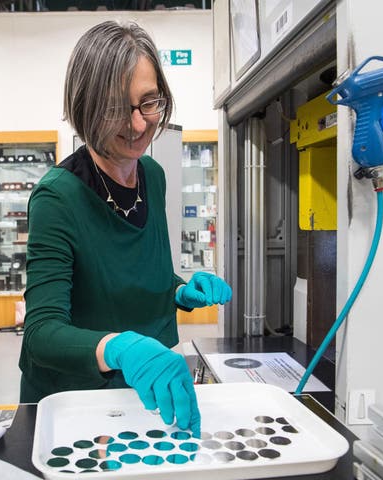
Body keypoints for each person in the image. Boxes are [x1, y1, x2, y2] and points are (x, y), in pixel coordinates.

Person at [18, 20, 232, 437]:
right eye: (117, 109)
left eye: (148, 103)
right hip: (76, 399)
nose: (137, 125)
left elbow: (135, 274)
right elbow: (41, 332)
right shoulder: (57, 197)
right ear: (85, 107)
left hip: (140, 391)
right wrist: (119, 345)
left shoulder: (152, 175)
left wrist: (178, 290)